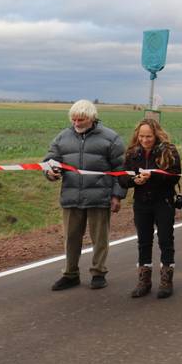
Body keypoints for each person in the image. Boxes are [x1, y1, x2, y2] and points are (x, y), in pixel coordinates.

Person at [44, 100, 126, 291]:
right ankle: (70, 274)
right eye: (73, 119)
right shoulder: (62, 138)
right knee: (71, 237)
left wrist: (117, 196)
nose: (76, 123)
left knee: (100, 238)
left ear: (91, 118)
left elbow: (121, 170)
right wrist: (50, 172)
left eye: (80, 119)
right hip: (71, 197)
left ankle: (98, 273)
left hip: (100, 197)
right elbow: (48, 161)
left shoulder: (111, 138)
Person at [121, 118, 181, 299]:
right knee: (144, 241)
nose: (145, 140)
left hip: (163, 201)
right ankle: (144, 280)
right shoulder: (132, 153)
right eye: (141, 136)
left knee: (165, 240)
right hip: (141, 203)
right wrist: (134, 181)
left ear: (156, 135)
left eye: (149, 136)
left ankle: (166, 280)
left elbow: (175, 176)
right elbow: (121, 178)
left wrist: (153, 176)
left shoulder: (168, 151)